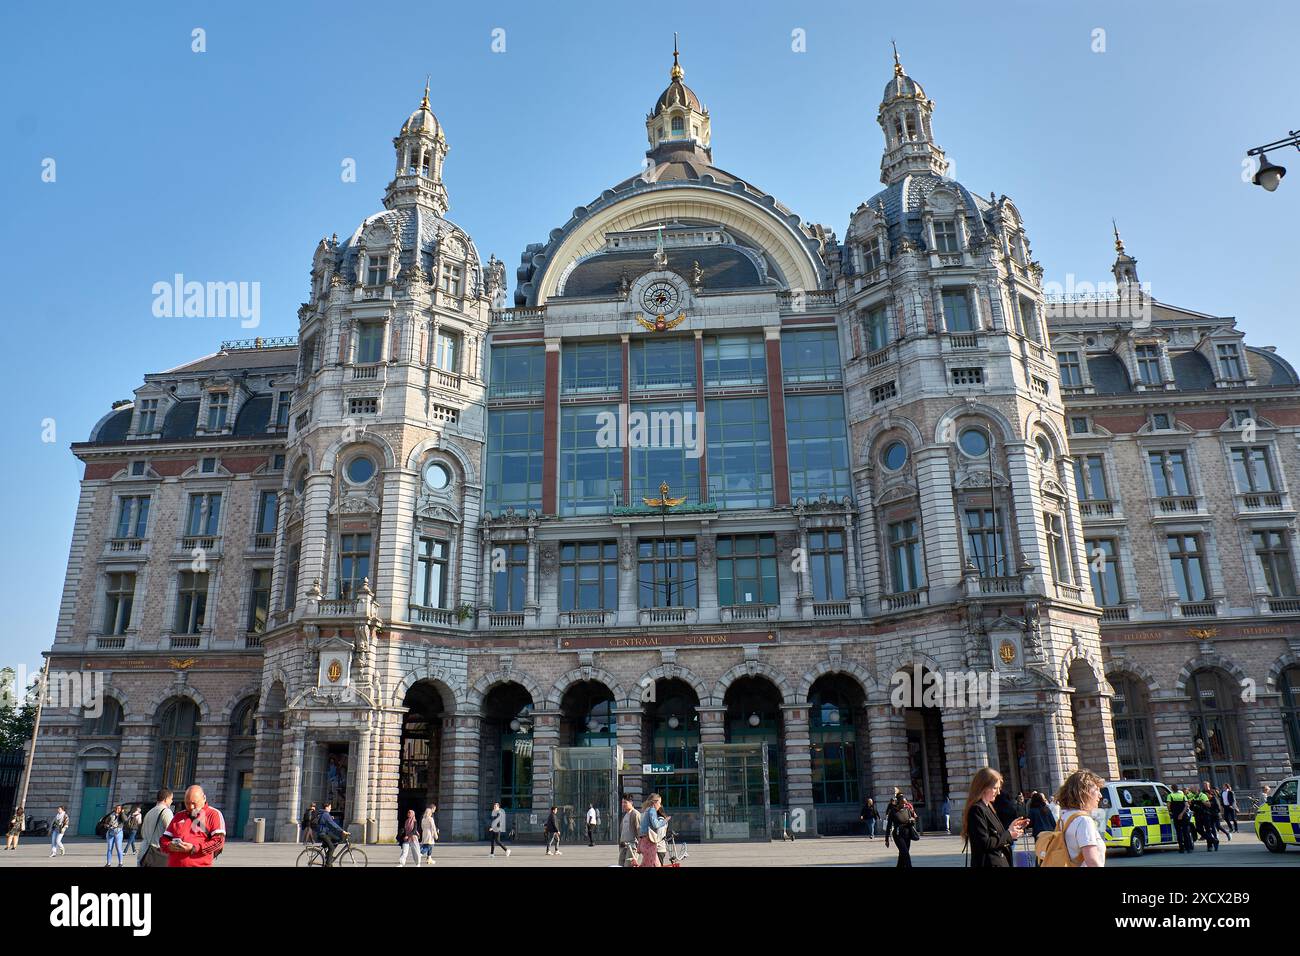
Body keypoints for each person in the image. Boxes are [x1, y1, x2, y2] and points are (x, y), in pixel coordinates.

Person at [962, 767, 1029, 867]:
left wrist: (1011, 828)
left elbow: (997, 835)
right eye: (994, 788)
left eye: (998, 788)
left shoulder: (988, 807)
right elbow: (985, 843)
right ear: (983, 787)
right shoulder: (977, 810)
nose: (998, 792)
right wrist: (1009, 834)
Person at [159, 785, 226, 867]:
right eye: (187, 803)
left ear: (204, 798)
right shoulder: (179, 816)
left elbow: (218, 842)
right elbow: (164, 839)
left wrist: (194, 848)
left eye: (194, 803)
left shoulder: (213, 814)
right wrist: (169, 845)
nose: (191, 807)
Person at [1052, 770, 1106, 867]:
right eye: (1097, 789)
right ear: (1083, 792)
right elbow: (1092, 861)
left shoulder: (1065, 817)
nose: (1100, 795)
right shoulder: (1084, 820)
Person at [139, 788, 174, 867]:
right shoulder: (166, 812)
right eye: (171, 799)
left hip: (144, 853)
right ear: (166, 799)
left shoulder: (150, 812)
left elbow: (142, 832)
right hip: (158, 854)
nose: (172, 801)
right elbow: (172, 832)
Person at [888, 794, 920, 867]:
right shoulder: (893, 811)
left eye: (905, 803)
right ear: (898, 802)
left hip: (908, 834)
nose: (904, 805)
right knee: (905, 854)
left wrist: (912, 820)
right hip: (898, 834)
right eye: (903, 803)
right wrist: (886, 838)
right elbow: (889, 825)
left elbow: (914, 819)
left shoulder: (908, 809)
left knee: (902, 854)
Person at [638, 793, 668, 867]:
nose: (660, 805)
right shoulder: (652, 810)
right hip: (649, 842)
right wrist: (665, 821)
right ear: (655, 802)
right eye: (659, 803)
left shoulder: (645, 811)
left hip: (643, 842)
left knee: (648, 864)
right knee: (653, 864)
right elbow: (656, 824)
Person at [316, 801, 346, 866]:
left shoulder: (324, 813)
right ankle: (328, 863)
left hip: (325, 832)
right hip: (322, 834)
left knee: (337, 839)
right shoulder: (326, 814)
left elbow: (327, 821)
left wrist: (330, 818)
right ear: (326, 807)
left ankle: (328, 855)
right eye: (330, 807)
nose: (330, 808)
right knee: (331, 848)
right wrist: (342, 831)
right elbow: (333, 825)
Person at [1168, 785, 1194, 853]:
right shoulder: (1182, 795)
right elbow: (1186, 806)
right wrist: (1182, 814)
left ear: (1172, 789)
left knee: (1178, 832)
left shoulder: (1170, 796)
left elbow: (1168, 805)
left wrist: (1170, 812)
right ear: (1178, 789)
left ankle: (1181, 848)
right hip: (1184, 816)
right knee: (1186, 832)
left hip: (1175, 815)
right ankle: (1188, 848)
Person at [618, 794, 641, 867]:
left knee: (628, 865)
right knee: (620, 865)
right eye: (622, 802)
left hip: (632, 846)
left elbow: (639, 830)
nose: (623, 804)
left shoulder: (635, 814)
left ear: (631, 802)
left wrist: (640, 845)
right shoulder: (625, 815)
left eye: (625, 802)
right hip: (623, 846)